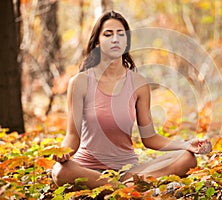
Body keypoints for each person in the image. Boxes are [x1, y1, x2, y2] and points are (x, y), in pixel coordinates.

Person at [51, 10, 212, 189]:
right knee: (60, 171)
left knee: (186, 158)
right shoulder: (79, 82)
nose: (115, 39)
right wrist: (62, 153)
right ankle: (125, 188)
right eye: (108, 34)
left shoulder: (138, 84)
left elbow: (150, 138)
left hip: (128, 170)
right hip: (87, 169)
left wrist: (185, 144)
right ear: (97, 41)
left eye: (121, 34)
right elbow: (72, 136)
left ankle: (118, 186)